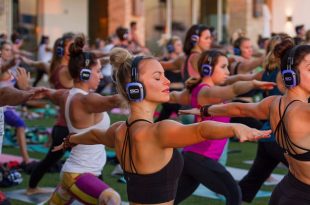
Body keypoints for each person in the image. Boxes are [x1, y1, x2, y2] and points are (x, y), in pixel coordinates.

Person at [53, 47, 271, 205]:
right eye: (158, 78)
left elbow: (93, 136)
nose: (167, 81)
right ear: (135, 89)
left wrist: (70, 140)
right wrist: (234, 128)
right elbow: (201, 130)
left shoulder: (118, 130)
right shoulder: (159, 131)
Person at [180, 41, 310, 205]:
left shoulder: (273, 103)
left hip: (287, 191)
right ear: (292, 75)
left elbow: (238, 109)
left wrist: (203, 110)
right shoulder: (304, 111)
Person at [168, 49, 275, 205]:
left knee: (169, 201)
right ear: (207, 69)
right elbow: (234, 89)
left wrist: (255, 77)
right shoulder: (207, 91)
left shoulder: (197, 90)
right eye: (223, 67)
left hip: (192, 156)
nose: (227, 71)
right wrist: (252, 83)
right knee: (234, 193)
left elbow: (236, 78)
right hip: (201, 157)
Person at [46, 35, 121, 205]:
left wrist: (31, 90)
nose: (101, 76)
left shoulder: (66, 94)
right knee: (112, 199)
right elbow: (114, 100)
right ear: (86, 73)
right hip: (78, 175)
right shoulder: (86, 100)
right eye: (98, 71)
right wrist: (139, 89)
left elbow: (45, 92)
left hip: (79, 172)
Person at [27, 33, 75, 195]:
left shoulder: (52, 66)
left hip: (63, 124)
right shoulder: (67, 71)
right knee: (90, 160)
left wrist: (27, 61)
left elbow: (40, 62)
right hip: (69, 126)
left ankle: (32, 187)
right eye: (72, 47)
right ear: (65, 51)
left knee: (49, 160)